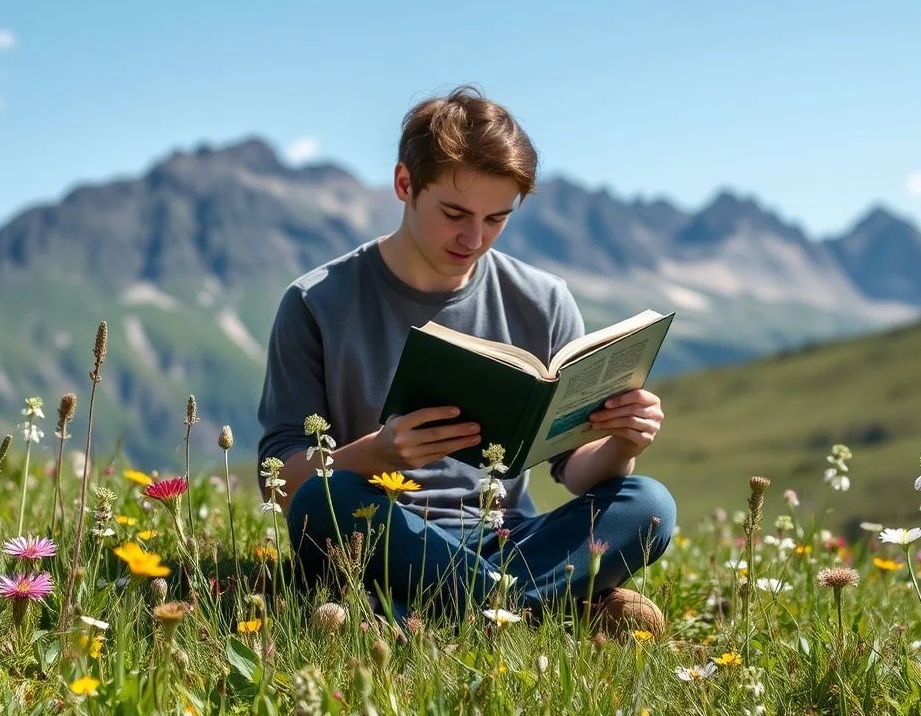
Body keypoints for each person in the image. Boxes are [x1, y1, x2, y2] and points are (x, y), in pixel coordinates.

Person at [256, 84, 675, 634]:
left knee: (648, 503)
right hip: (379, 531)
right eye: (454, 213)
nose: (474, 238)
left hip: (503, 534)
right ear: (405, 184)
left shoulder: (543, 300)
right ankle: (542, 609)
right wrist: (378, 452)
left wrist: (622, 442)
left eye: (497, 219)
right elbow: (280, 486)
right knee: (324, 500)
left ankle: (418, 616)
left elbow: (575, 471)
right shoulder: (317, 302)